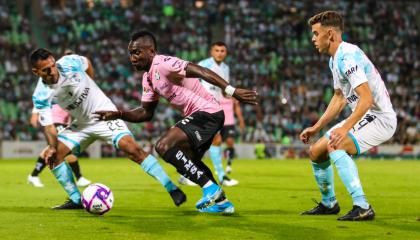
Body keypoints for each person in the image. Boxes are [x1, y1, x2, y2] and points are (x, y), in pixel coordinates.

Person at [94, 31, 258, 213]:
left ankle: (211, 190)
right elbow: (145, 113)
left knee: (164, 146)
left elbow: (202, 71)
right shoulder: (148, 79)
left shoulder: (163, 63)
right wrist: (119, 114)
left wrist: (231, 90)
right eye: (130, 53)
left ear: (151, 51)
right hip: (202, 116)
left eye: (137, 52)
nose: (132, 58)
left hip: (207, 112)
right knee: (188, 162)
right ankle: (222, 204)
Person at [30, 48, 186, 209]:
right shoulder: (41, 95)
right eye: (46, 70)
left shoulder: (70, 62)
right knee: (54, 156)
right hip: (82, 124)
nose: (53, 71)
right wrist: (52, 148)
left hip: (104, 114)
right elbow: (48, 127)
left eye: (53, 65)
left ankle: (171, 188)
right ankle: (76, 199)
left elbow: (87, 63)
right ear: (36, 72)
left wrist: (90, 80)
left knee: (133, 150)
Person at [300, 11, 397, 221]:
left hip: (380, 118)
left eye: (316, 34)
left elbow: (366, 99)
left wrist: (343, 129)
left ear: (331, 34)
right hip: (364, 115)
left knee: (336, 143)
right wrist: (316, 127)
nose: (313, 39)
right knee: (316, 151)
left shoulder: (347, 56)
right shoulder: (335, 60)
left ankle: (362, 206)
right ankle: (329, 203)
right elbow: (339, 98)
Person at [179, 41, 243, 186]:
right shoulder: (204, 64)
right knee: (213, 140)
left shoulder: (226, 68)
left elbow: (222, 89)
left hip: (214, 107)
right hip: (200, 105)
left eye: (222, 51)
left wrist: (234, 96)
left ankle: (188, 175)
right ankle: (219, 176)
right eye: (217, 50)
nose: (220, 53)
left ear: (226, 53)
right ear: (211, 52)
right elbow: (189, 81)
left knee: (207, 141)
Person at [28, 103, 91, 188]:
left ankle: (34, 175)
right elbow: (39, 102)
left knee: (64, 149)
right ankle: (79, 178)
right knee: (64, 147)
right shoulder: (48, 93)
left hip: (63, 125)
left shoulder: (67, 95)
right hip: (53, 124)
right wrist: (35, 115)